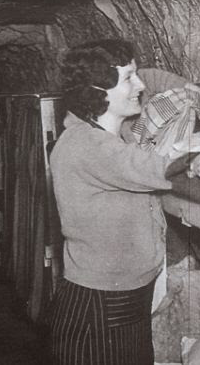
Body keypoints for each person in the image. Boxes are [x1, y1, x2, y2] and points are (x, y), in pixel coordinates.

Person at [48, 39, 173, 365]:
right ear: (97, 89)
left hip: (127, 297)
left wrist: (197, 95)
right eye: (129, 77)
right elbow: (163, 170)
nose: (141, 85)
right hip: (99, 305)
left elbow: (160, 81)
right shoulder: (89, 146)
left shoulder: (118, 136)